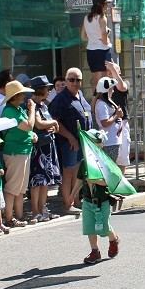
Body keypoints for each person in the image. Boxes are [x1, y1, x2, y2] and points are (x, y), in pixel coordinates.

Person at [49, 67, 91, 213]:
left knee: (78, 171)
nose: (75, 83)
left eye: (78, 80)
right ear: (66, 81)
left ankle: (76, 200)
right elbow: (55, 121)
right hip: (68, 143)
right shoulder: (61, 98)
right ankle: (68, 204)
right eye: (71, 80)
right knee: (68, 172)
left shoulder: (80, 94)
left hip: (82, 142)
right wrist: (70, 137)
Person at [79, 129, 121, 264]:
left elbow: (110, 181)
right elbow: (79, 180)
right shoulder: (84, 161)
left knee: (104, 227)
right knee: (89, 227)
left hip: (102, 200)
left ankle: (113, 240)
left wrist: (95, 181)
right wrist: (73, 195)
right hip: (87, 200)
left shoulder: (104, 162)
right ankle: (95, 251)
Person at [0, 79, 36, 227]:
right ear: (15, 96)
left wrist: (32, 136)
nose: (23, 97)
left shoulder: (17, 109)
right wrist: (32, 110)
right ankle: (9, 217)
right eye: (21, 94)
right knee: (13, 187)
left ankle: (18, 216)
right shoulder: (9, 111)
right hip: (15, 152)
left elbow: (26, 130)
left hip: (23, 150)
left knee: (20, 188)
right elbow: (28, 126)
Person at [27, 75, 61, 222]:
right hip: (38, 149)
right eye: (47, 88)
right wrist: (53, 122)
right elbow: (39, 124)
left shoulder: (44, 105)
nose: (49, 90)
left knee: (46, 180)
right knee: (37, 181)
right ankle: (35, 211)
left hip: (48, 146)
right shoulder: (32, 104)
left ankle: (43, 208)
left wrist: (53, 127)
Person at [81, 0, 112, 89]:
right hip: (102, 50)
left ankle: (94, 102)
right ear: (101, 5)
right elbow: (104, 36)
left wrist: (93, 38)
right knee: (103, 80)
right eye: (106, 4)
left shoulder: (86, 18)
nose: (107, 6)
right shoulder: (102, 18)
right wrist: (107, 38)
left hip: (91, 51)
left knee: (95, 80)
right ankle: (102, 101)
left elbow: (83, 37)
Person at [92, 77, 124, 166]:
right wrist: (116, 114)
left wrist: (119, 114)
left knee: (112, 166)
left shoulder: (107, 102)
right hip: (109, 142)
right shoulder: (102, 104)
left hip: (114, 140)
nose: (113, 91)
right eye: (111, 89)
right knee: (110, 167)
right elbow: (105, 123)